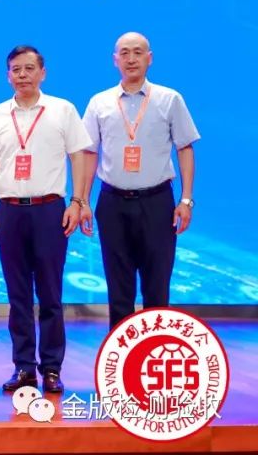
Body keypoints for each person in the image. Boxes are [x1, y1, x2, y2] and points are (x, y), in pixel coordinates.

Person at [0, 45, 91, 394]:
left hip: (49, 210)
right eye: (16, 69)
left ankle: (52, 369)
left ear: (43, 73)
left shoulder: (62, 110)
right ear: (8, 75)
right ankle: (24, 367)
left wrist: (78, 201)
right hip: (9, 210)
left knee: (50, 293)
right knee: (18, 295)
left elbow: (79, 156)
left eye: (29, 68)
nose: (23, 75)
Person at [78, 32, 199, 329]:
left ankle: (153, 351)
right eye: (124, 53)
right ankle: (120, 355)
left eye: (137, 52)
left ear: (149, 58)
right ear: (115, 60)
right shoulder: (99, 102)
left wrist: (186, 199)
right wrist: (82, 201)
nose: (131, 59)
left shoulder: (170, 99)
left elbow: (184, 147)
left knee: (157, 287)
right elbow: (89, 153)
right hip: (112, 202)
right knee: (119, 289)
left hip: (156, 202)